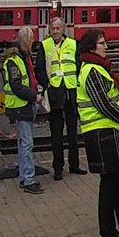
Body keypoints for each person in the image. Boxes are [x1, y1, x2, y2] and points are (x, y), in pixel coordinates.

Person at [77, 28, 119, 237]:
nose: (106, 47)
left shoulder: (97, 69)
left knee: (116, 177)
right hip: (102, 131)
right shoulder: (92, 71)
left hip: (109, 131)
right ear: (92, 47)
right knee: (109, 180)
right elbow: (104, 105)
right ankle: (108, 230)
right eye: (103, 43)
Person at [1, 27, 44, 194]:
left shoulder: (23, 57)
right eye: (31, 38)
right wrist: (35, 96)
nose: (33, 41)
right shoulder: (14, 60)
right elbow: (17, 86)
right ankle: (28, 179)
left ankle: (24, 176)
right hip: (21, 106)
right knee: (27, 144)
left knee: (23, 144)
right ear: (25, 41)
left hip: (24, 105)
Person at [41, 18, 84, 179]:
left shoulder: (73, 44)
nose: (56, 31)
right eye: (53, 28)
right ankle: (58, 168)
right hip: (55, 93)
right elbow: (39, 69)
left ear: (64, 29)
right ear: (49, 30)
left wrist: (78, 84)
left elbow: (79, 65)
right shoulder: (45, 46)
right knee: (56, 133)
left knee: (73, 131)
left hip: (71, 91)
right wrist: (48, 84)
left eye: (58, 28)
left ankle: (75, 165)